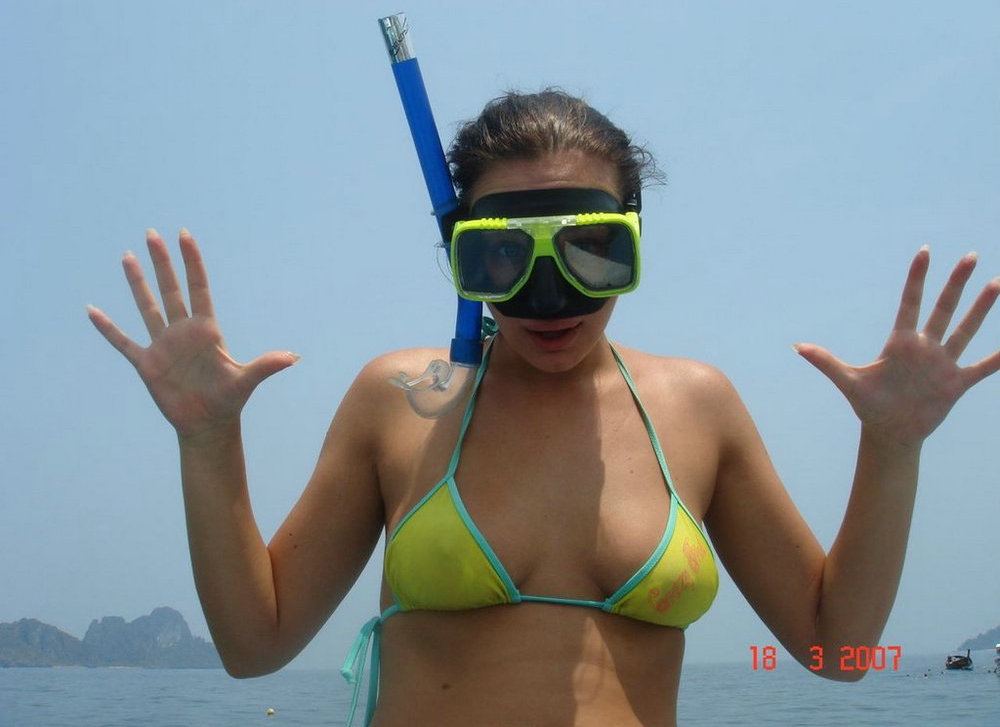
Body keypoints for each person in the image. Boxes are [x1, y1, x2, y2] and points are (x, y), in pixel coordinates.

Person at [87, 90, 1000, 727]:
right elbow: (253, 646)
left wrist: (893, 447)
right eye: (501, 257)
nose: (550, 296)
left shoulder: (698, 407)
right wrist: (208, 439)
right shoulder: (399, 402)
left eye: (592, 250)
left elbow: (840, 650)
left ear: (636, 240)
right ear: (459, 257)